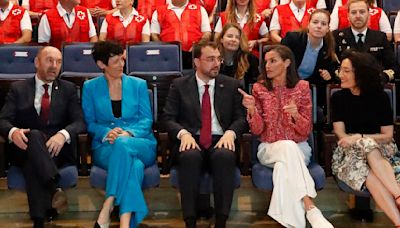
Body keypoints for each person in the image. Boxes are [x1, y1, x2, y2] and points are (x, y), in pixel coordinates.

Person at [240, 45, 333, 228]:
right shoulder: (259, 89)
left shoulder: (302, 87)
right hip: (268, 148)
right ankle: (310, 206)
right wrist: (251, 110)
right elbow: (257, 131)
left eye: (273, 61)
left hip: (299, 148)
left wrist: (296, 115)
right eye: (266, 61)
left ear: (287, 62)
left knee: (284, 167)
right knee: (287, 147)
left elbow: (305, 131)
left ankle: (294, 223)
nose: (267, 65)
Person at [162, 40, 248, 228]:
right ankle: (190, 221)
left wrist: (231, 133)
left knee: (225, 156)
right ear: (196, 62)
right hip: (191, 138)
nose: (216, 63)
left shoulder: (231, 85)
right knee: (190, 156)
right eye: (210, 59)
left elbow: (241, 118)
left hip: (220, 138)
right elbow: (167, 118)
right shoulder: (179, 85)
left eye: (218, 59)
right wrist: (183, 133)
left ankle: (221, 221)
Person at [0, 46, 86, 228]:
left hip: (56, 151)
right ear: (37, 62)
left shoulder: (68, 89)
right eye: (49, 60)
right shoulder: (18, 89)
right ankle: (54, 188)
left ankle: (38, 222)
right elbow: (3, 121)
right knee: (35, 136)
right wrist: (13, 132)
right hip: (22, 148)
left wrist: (63, 135)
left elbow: (79, 122)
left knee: (34, 164)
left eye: (59, 62)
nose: (54, 66)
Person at [82, 41, 157, 228]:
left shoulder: (139, 84)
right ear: (101, 64)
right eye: (115, 61)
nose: (121, 65)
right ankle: (126, 223)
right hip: (106, 146)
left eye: (122, 60)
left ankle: (108, 205)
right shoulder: (90, 87)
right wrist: (107, 132)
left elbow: (147, 120)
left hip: (140, 142)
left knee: (123, 144)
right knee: (135, 166)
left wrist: (128, 132)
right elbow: (90, 123)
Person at [331, 50, 400, 226]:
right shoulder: (338, 97)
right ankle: (398, 197)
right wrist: (355, 141)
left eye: (347, 71)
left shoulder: (380, 97)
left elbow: (387, 135)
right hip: (349, 154)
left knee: (367, 156)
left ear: (360, 73)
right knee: (366, 168)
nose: (341, 75)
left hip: (382, 151)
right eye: (341, 70)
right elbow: (340, 133)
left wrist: (360, 138)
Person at [333, 0, 399, 94]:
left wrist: (381, 77)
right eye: (354, 12)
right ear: (348, 16)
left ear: (369, 15)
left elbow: (394, 67)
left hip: (375, 89)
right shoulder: (337, 37)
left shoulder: (380, 37)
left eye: (362, 12)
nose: (358, 16)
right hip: (346, 91)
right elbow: (332, 66)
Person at [281, 9, 337, 110]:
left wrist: (328, 75)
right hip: (286, 84)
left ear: (328, 29)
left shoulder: (328, 47)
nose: (319, 26)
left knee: (318, 113)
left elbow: (331, 71)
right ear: (308, 25)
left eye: (323, 24)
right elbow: (279, 63)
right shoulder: (292, 39)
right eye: (315, 22)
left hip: (309, 90)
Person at [150, 0, 211, 69]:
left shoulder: (200, 10)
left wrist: (196, 48)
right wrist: (164, 50)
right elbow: (154, 34)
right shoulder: (158, 11)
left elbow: (207, 33)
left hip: (193, 55)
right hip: (168, 56)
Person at [216, 23, 259, 92]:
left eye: (237, 37)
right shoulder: (213, 59)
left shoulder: (250, 59)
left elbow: (254, 85)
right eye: (229, 36)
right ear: (221, 39)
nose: (233, 40)